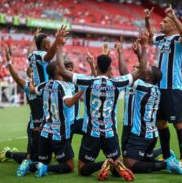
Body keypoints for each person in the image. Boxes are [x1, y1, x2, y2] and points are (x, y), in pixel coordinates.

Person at [56, 26, 149, 181]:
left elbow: (62, 71)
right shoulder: (117, 83)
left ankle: (104, 163)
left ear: (97, 67)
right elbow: (143, 69)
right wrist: (144, 46)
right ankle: (113, 163)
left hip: (91, 133)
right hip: (110, 133)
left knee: (83, 169)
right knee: (115, 171)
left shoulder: (87, 81)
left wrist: (59, 45)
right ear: (110, 68)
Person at [145, 6, 182, 167]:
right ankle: (166, 155)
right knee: (160, 123)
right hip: (159, 89)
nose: (161, 23)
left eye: (164, 21)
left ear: (172, 25)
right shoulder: (161, 40)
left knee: (178, 123)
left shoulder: (178, 40)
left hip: (173, 89)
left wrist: (175, 17)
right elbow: (151, 36)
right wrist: (146, 20)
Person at [0, 46, 44, 177]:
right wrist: (9, 61)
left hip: (46, 126)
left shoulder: (44, 84)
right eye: (32, 72)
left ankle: (13, 154)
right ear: (29, 74)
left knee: (42, 158)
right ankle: (9, 153)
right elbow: (15, 76)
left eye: (36, 72)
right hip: (34, 125)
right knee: (33, 159)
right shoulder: (27, 86)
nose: (34, 73)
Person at [31, 61, 83, 178]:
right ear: (58, 71)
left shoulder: (44, 85)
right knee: (69, 166)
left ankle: (29, 165)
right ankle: (46, 169)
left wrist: (30, 79)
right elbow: (69, 103)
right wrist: (82, 90)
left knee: (43, 161)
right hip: (59, 132)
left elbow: (33, 90)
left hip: (45, 131)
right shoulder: (62, 86)